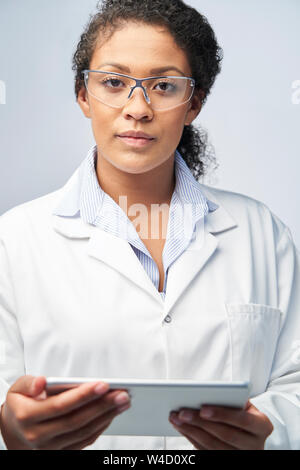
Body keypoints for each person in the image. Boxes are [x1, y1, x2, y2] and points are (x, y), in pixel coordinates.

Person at [0, 0, 299, 451]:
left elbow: (294, 384)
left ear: (193, 102)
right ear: (84, 95)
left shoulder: (262, 233)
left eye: (163, 85)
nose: (137, 109)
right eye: (114, 83)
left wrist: (268, 434)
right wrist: (9, 435)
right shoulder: (14, 241)